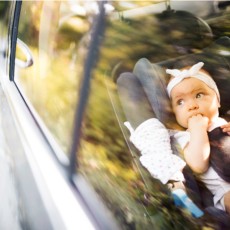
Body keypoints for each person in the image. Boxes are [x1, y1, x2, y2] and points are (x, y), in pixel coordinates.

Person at [166, 62, 230, 213]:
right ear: (175, 114)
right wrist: (198, 130)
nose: (192, 105)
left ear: (218, 101)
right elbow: (198, 165)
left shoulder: (224, 122)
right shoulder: (185, 136)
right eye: (180, 102)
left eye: (199, 95)